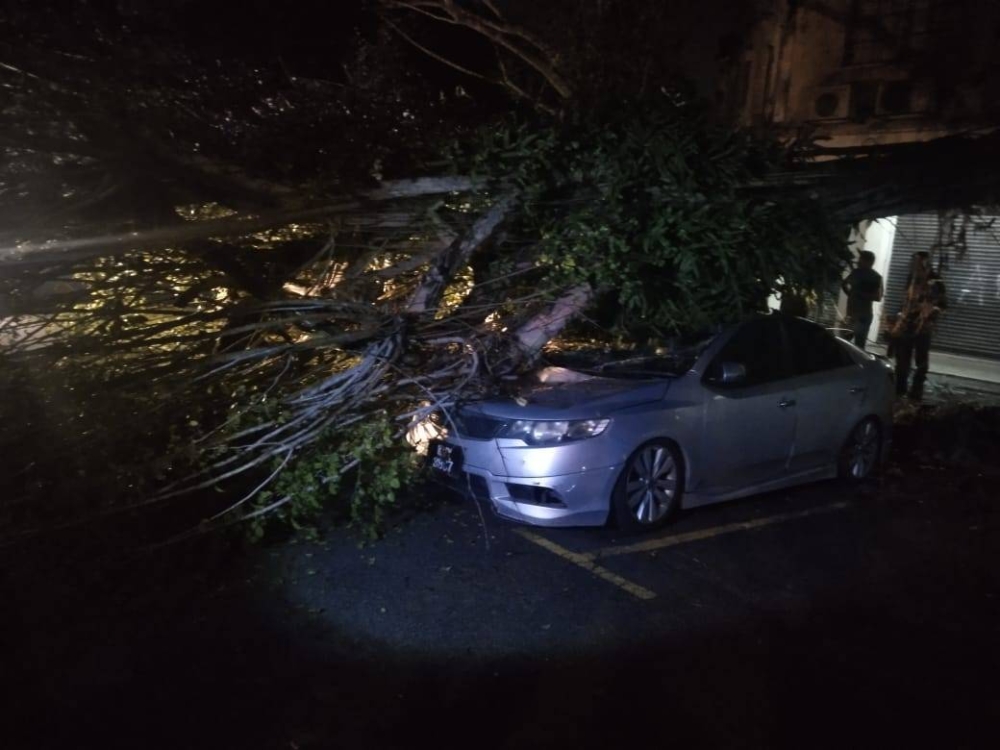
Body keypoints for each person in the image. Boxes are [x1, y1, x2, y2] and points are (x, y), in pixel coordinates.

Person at [889, 251, 947, 401]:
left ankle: (916, 394)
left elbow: (943, 305)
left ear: (924, 263)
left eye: (915, 262)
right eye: (912, 262)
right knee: (902, 361)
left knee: (921, 363)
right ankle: (900, 391)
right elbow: (906, 301)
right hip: (906, 326)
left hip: (923, 327)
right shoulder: (911, 278)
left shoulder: (935, 281)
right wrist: (898, 316)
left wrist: (931, 311)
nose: (912, 265)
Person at [841, 250, 883, 350]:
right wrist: (851, 294)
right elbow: (844, 284)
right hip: (853, 314)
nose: (859, 261)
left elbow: (878, 297)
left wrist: (858, 295)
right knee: (845, 344)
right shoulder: (856, 272)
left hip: (862, 316)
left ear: (869, 262)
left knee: (857, 346)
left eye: (861, 259)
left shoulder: (876, 277)